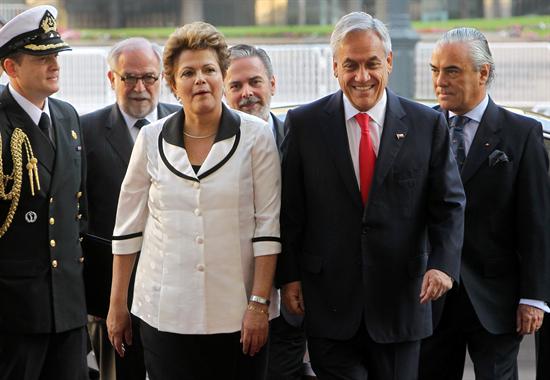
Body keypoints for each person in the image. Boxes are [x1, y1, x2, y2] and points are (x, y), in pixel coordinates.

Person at [277, 11, 465, 380]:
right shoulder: (305, 125)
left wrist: (442, 264)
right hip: (328, 302)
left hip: (401, 303)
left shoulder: (427, 124)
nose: (362, 77)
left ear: (390, 62)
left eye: (372, 64)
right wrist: (290, 277)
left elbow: (449, 204)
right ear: (335, 67)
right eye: (351, 65)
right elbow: (291, 210)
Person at [106, 22, 281, 380]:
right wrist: (116, 305)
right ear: (172, 83)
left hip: (240, 315)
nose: (199, 79)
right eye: (188, 72)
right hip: (163, 313)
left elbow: (268, 226)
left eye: (208, 70)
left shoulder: (257, 137)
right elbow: (127, 228)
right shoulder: (151, 139)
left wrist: (259, 305)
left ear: (223, 75)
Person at [419, 27, 550, 380]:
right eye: (435, 70)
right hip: (432, 301)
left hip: (496, 301)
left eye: (451, 70)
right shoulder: (420, 128)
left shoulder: (521, 134)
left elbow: (536, 222)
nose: (440, 81)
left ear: (483, 72)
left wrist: (534, 297)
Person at [81, 37, 180, 380]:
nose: (140, 88)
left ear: (162, 79)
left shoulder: (184, 126)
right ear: (112, 79)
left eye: (149, 78)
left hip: (173, 290)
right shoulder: (84, 130)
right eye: (129, 78)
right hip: (110, 296)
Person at [0, 5, 88, 380]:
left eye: (55, 56)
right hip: (13, 311)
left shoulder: (67, 116)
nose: (54, 65)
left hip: (67, 307)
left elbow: (79, 210)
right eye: (41, 58)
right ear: (11, 68)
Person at [224, 43, 308, 380]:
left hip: (290, 305)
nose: (247, 93)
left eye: (255, 82)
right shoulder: (208, 148)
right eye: (236, 85)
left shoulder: (301, 137)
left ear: (273, 84)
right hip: (227, 306)